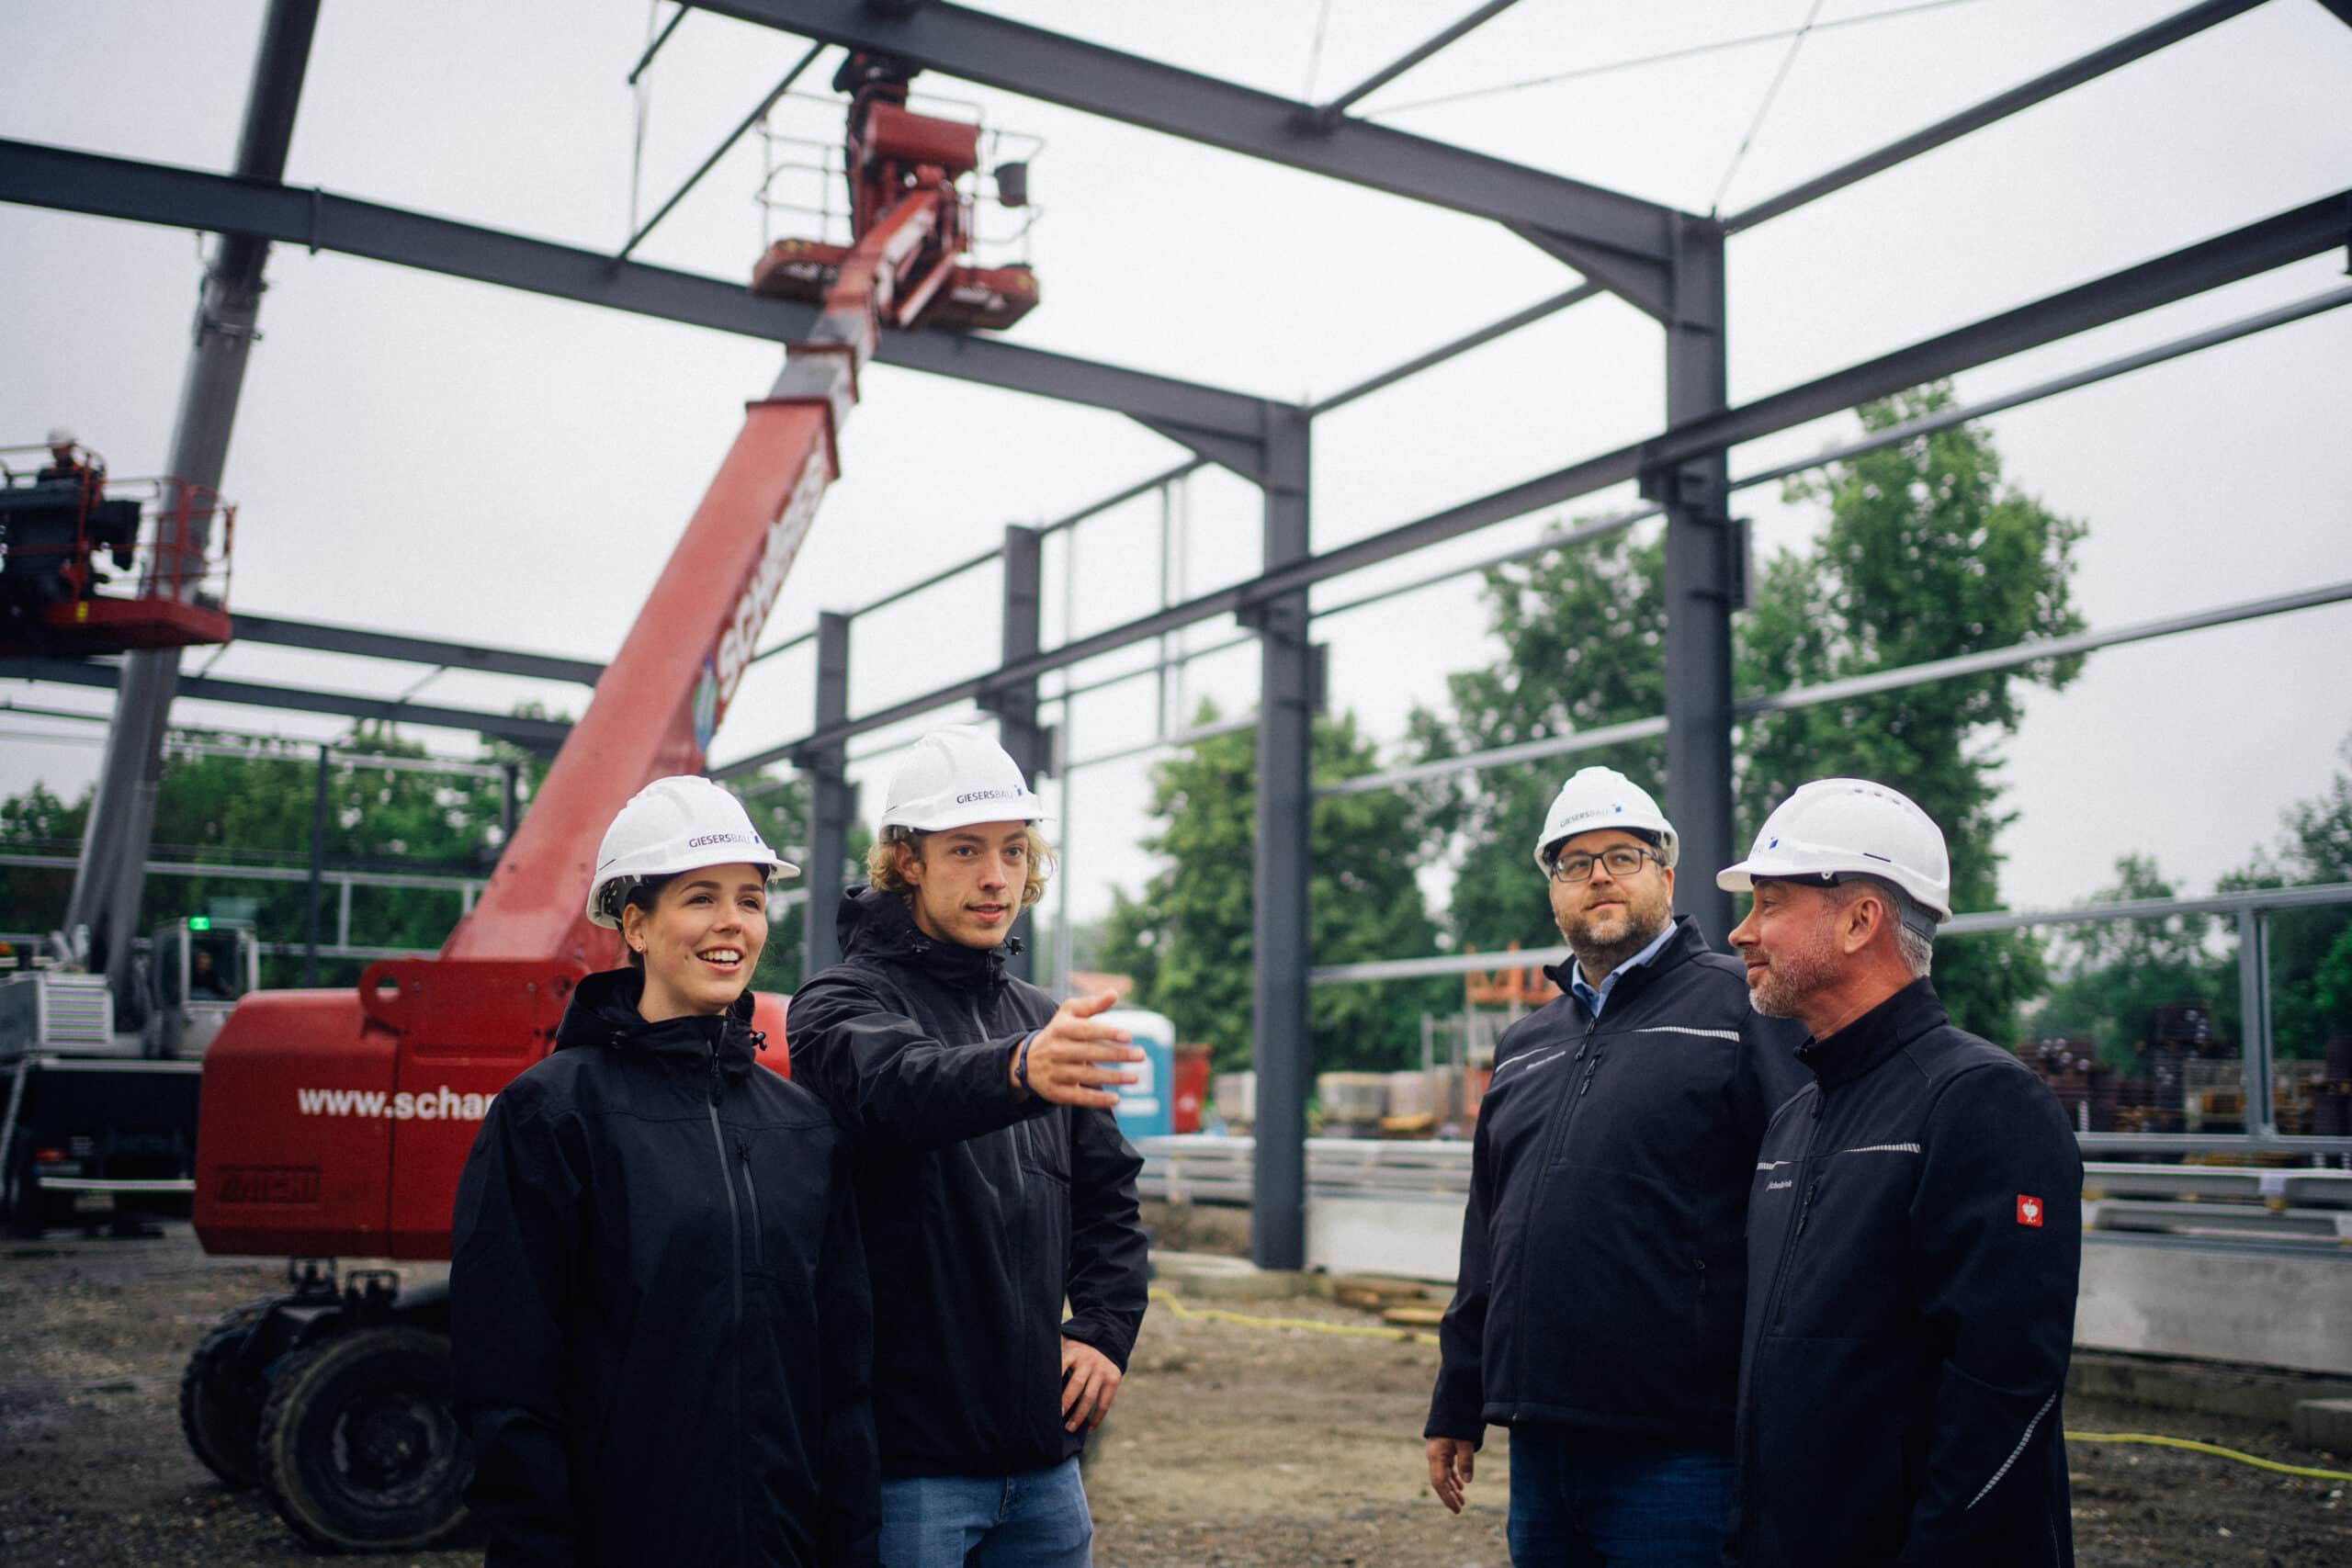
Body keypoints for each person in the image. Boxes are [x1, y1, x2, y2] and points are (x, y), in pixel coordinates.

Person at [450, 776, 878, 1567]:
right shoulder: (552, 1114)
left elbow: (842, 1384)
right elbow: (508, 1382)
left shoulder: (804, 1129)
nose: (732, 924)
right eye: (700, 897)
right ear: (637, 925)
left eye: (750, 900)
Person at [1423, 766, 1807, 1566]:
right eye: (1573, 861)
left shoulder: (1744, 1008)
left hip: (1684, 1451)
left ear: (1666, 874)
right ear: (1554, 893)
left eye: (1623, 855)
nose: (1597, 874)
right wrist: (1459, 1393)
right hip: (1541, 1443)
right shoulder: (1527, 1045)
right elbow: (1490, 1231)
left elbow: (1804, 1207)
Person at [786, 726, 1149, 1568]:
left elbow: (1111, 1199)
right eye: (965, 850)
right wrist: (1021, 1068)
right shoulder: (837, 1002)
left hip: (1045, 1470)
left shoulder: (1036, 1012)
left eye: (1015, 851)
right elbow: (900, 1082)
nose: (997, 876)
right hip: (907, 1474)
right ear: (906, 860)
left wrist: (1102, 1326)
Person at [1717, 778, 2083, 1568]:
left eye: (1770, 903)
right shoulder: (1794, 1120)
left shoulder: (1982, 1105)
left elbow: (2004, 1403)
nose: (1743, 932)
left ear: (1860, 919)